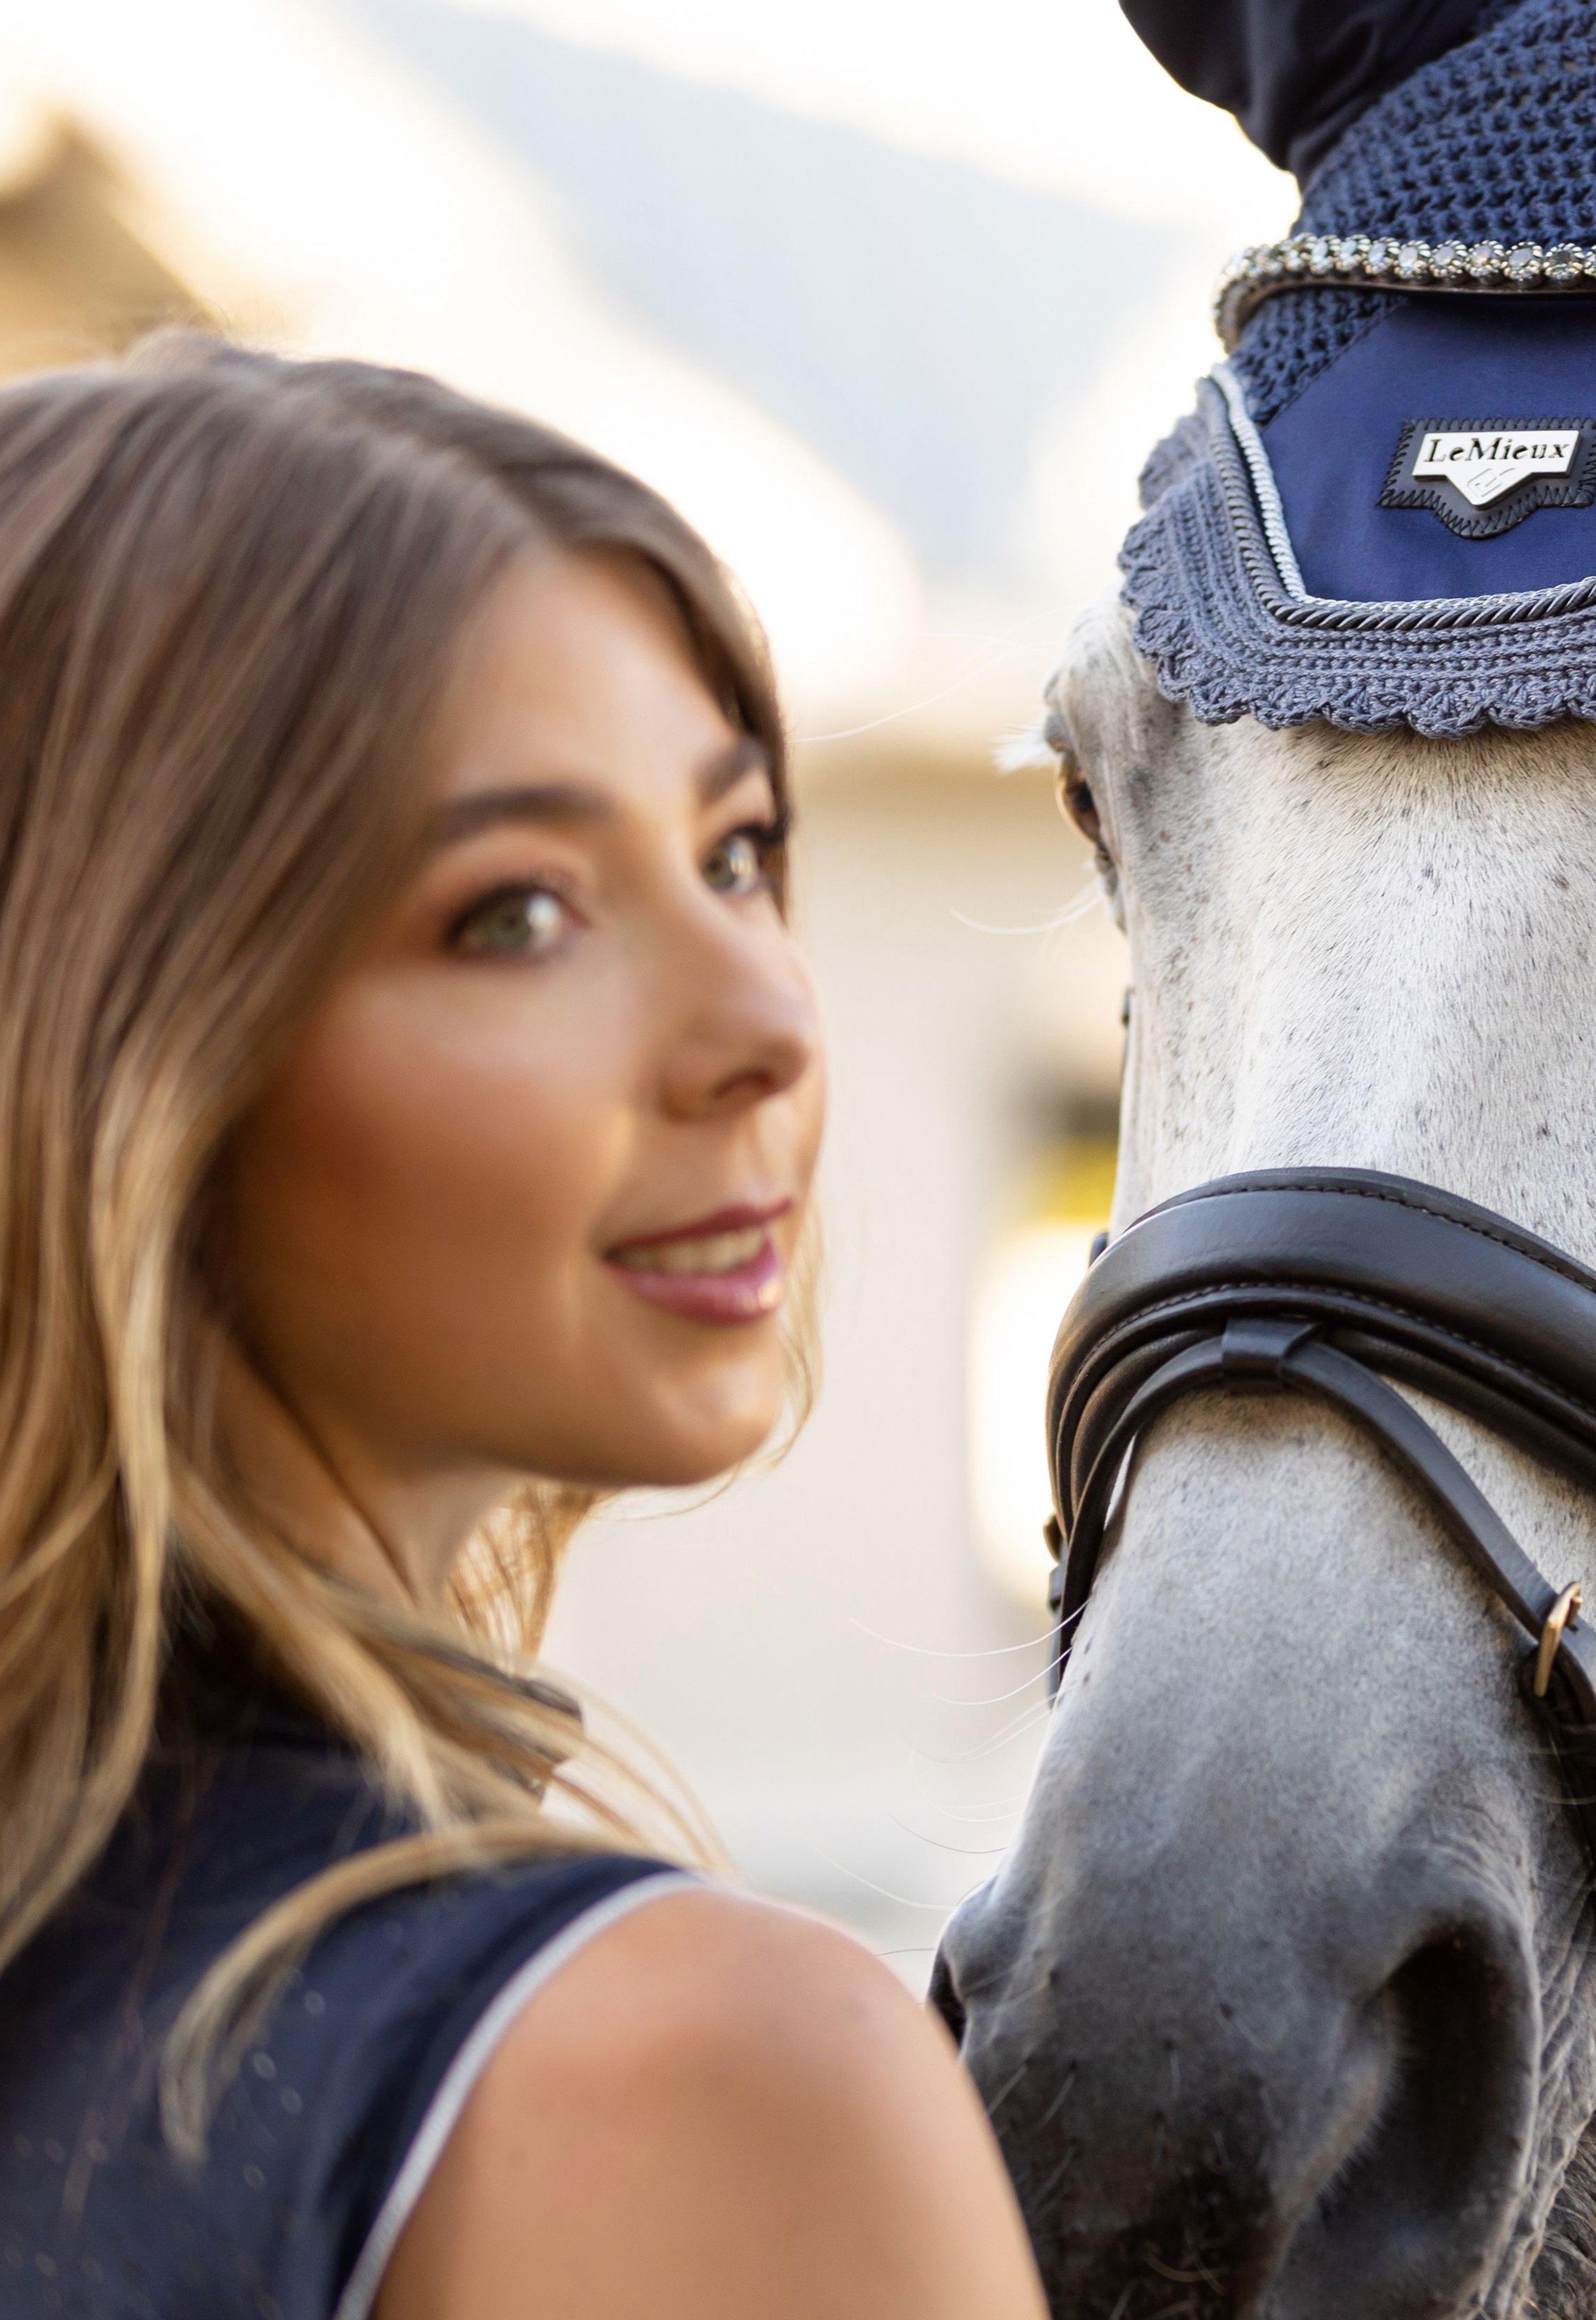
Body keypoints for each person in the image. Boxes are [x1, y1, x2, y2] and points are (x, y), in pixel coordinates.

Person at [0, 338, 1048, 2320]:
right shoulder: (698, 2088)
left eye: (737, 853)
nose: (767, 1024)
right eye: (520, 913)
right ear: (112, 1057)